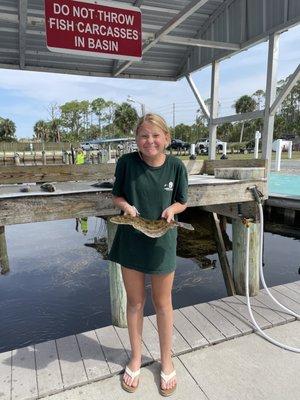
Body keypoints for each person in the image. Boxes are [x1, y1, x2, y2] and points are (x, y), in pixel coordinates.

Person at [108, 113, 188, 396]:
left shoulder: (177, 166)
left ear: (166, 138)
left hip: (162, 240)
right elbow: (117, 195)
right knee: (135, 302)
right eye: (144, 135)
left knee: (163, 303)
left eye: (156, 135)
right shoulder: (126, 163)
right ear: (136, 139)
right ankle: (136, 357)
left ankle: (167, 360)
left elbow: (182, 201)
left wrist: (172, 211)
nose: (150, 141)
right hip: (131, 239)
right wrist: (127, 207)